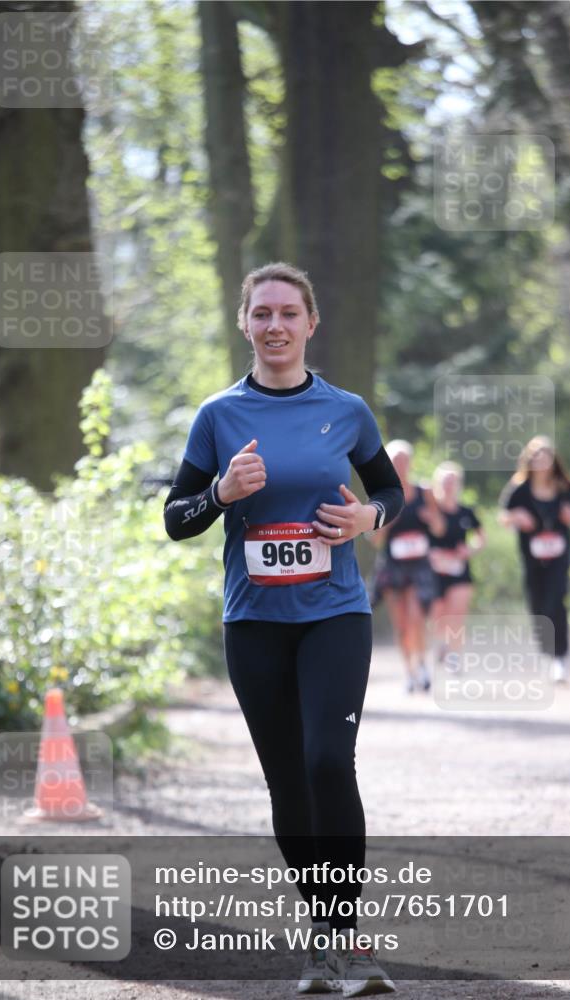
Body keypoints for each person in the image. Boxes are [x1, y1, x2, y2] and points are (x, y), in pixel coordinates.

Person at [164, 262, 403, 996]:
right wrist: (218, 491)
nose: (274, 326)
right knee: (288, 782)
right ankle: (322, 936)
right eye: (260, 313)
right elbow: (177, 520)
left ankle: (345, 937)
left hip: (334, 612)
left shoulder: (347, 409)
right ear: (244, 324)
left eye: (287, 313)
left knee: (330, 761)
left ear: (310, 323)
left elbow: (388, 491)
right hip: (254, 624)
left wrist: (369, 519)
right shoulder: (218, 415)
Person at [498, 436, 570, 682]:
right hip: (532, 557)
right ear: (529, 460)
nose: (542, 461)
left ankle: (560, 657)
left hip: (559, 556)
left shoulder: (564, 486)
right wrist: (517, 517)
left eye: (546, 456)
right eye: (537, 456)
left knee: (556, 600)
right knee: (537, 605)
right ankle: (547, 652)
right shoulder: (519, 489)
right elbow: (503, 516)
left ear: (554, 460)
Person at [369, 440, 444, 692]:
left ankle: (423, 665)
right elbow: (375, 539)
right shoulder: (383, 494)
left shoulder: (425, 492)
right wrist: (389, 522)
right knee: (401, 624)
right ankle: (409, 672)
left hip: (418, 565)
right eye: (395, 460)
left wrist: (431, 519)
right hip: (393, 566)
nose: (400, 464)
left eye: (404, 460)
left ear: (410, 463)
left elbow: (439, 529)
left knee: (415, 618)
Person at [427, 462, 484, 666]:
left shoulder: (466, 512)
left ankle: (454, 656)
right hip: (433, 572)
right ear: (437, 484)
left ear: (459, 484)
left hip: (459, 570)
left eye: (452, 481)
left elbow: (480, 538)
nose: (449, 485)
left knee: (457, 614)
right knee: (437, 615)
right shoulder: (430, 511)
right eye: (445, 481)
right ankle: (441, 645)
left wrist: (470, 550)